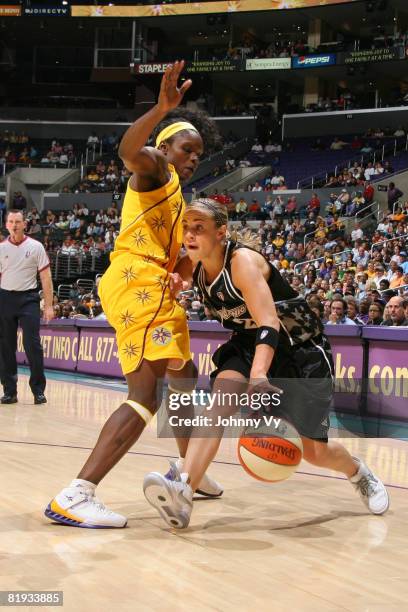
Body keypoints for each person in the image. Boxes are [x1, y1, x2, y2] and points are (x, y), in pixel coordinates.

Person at [45, 60, 222, 529]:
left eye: (198, 155)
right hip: (136, 281)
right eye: (188, 149)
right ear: (166, 146)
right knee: (144, 396)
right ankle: (76, 494)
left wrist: (185, 269)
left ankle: (190, 473)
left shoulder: (180, 198)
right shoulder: (156, 169)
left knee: (182, 373)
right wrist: (162, 109)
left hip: (151, 282)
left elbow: (181, 256)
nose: (192, 159)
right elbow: (127, 150)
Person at [143, 198, 389, 529]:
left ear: (221, 232)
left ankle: (358, 472)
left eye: (199, 227)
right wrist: (173, 284)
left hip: (297, 348)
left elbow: (269, 322)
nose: (189, 234)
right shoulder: (195, 265)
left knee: (313, 451)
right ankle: (183, 493)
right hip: (248, 344)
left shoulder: (242, 262)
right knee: (220, 404)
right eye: (187, 227)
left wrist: (259, 372)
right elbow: (176, 278)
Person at [0, 210, 54, 404]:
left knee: (33, 345)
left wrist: (48, 305)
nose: (14, 225)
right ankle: (9, 391)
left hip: (28, 299)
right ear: (6, 225)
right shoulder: (1, 248)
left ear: (25, 224)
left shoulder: (36, 246)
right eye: (11, 221)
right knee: (6, 347)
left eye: (18, 221)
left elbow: (45, 277)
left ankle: (38, 390)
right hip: (5, 298)